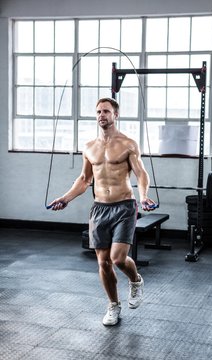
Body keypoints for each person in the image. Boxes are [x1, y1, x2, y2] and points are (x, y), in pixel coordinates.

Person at [49, 97, 157, 326]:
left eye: (106, 111)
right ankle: (113, 305)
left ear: (115, 115)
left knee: (117, 259)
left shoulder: (128, 144)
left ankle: (136, 280)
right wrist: (66, 198)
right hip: (99, 208)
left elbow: (141, 173)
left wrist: (144, 196)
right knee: (103, 263)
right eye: (98, 111)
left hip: (124, 206)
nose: (101, 115)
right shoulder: (89, 147)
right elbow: (85, 179)